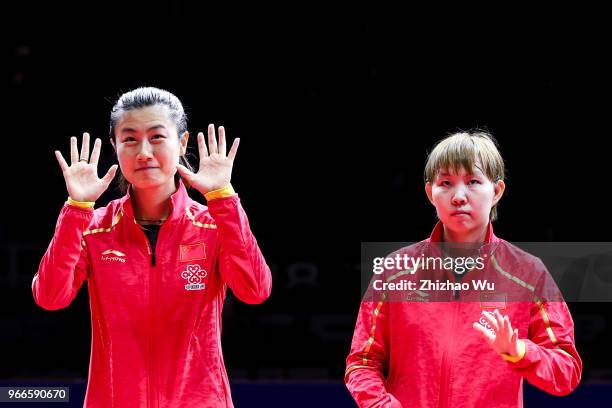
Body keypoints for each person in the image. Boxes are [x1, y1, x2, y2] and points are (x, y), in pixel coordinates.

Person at [32, 87, 272, 407]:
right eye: (129, 139)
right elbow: (50, 297)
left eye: (157, 137)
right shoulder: (94, 228)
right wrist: (77, 207)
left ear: (182, 143)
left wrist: (224, 199)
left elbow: (255, 290)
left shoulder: (214, 224)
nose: (143, 151)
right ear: (115, 147)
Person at [345, 131, 582, 407]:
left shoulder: (528, 274)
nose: (458, 196)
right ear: (430, 193)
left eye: (472, 182)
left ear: (496, 191)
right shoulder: (395, 272)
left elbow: (566, 371)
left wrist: (519, 351)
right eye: (446, 183)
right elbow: (361, 363)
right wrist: (380, 405)